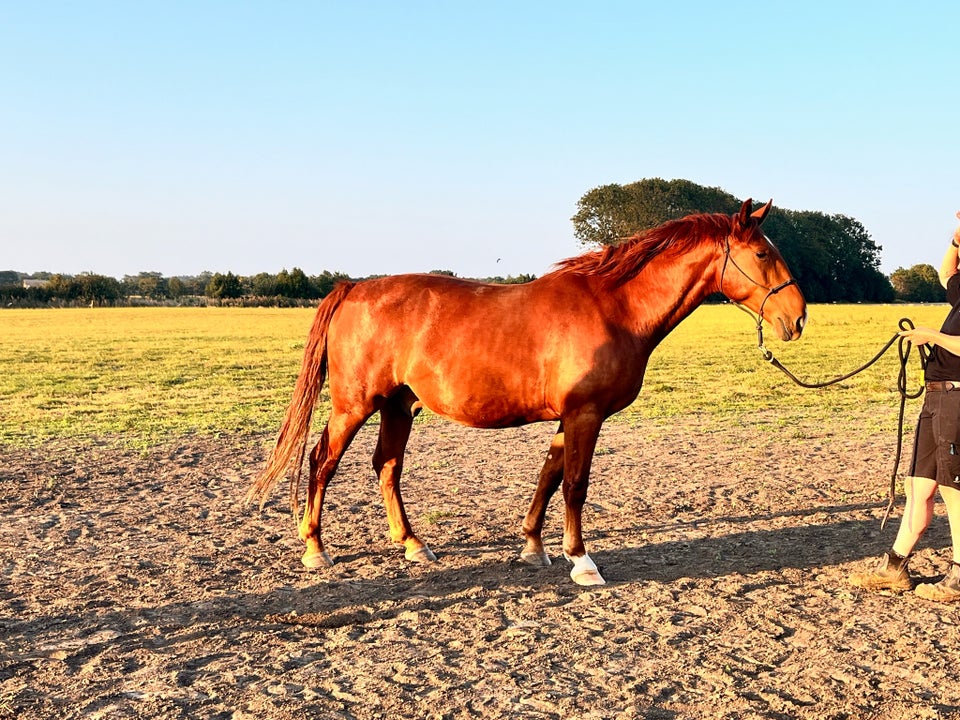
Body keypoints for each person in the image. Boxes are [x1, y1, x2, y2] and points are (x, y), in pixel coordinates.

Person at [849, 210, 960, 602]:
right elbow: (947, 271)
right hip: (937, 395)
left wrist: (930, 334)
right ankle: (895, 567)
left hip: (959, 398)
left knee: (953, 489)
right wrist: (958, 234)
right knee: (919, 486)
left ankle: (958, 577)